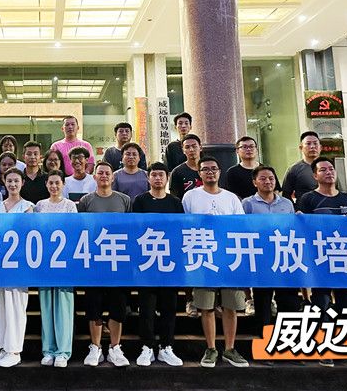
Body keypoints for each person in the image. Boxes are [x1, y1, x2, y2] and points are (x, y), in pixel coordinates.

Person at [296, 157, 347, 367]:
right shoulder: (308, 199)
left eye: (331, 168)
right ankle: (323, 347)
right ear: (315, 175)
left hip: (344, 259)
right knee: (322, 303)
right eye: (323, 169)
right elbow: (302, 229)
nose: (329, 172)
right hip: (320, 260)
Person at [182, 156, 249, 368]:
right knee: (206, 306)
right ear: (199, 174)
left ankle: (230, 349)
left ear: (219, 172)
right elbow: (184, 226)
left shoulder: (231, 198)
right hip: (203, 257)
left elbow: (240, 226)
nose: (210, 172)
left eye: (213, 169)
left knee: (230, 306)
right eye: (205, 169)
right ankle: (211, 348)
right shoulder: (190, 196)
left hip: (228, 258)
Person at [77, 161, 131, 368]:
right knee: (94, 306)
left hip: (118, 262)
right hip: (94, 262)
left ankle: (115, 347)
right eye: (100, 173)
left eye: (107, 173)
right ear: (94, 177)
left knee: (117, 307)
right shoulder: (86, 201)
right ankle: (96, 347)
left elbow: (131, 230)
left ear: (113, 177)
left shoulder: (124, 200)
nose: (104, 176)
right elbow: (81, 229)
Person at [132, 162, 184, 367]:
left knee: (169, 307)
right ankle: (147, 346)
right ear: (148, 178)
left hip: (169, 264)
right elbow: (135, 230)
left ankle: (166, 346)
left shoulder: (175, 202)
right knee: (146, 308)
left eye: (161, 175)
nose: (157, 178)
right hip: (147, 263)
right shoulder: (140, 201)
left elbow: (181, 231)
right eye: (154, 175)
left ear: (167, 178)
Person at [241, 165, 300, 331]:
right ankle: (265, 338)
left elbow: (293, 229)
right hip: (261, 258)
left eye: (271, 178)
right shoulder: (247, 204)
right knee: (263, 301)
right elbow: (241, 228)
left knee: (288, 301)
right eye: (263, 178)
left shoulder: (287, 203)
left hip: (284, 256)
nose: (268, 181)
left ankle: (287, 337)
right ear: (255, 182)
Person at [0, 168, 34, 368]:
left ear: (22, 183)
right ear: (4, 182)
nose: (13, 184)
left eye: (16, 181)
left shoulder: (28, 207)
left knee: (15, 305)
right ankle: (4, 347)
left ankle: (14, 350)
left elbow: (29, 234)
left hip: (18, 262)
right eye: (9, 181)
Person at [35, 170, 77, 367]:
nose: (53, 186)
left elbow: (73, 231)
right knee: (46, 306)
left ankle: (63, 351)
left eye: (57, 183)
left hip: (64, 262)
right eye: (50, 183)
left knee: (63, 306)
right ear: (46, 184)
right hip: (44, 261)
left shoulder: (69, 206)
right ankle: (48, 350)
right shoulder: (40, 205)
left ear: (63, 184)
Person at [282, 131, 326, 203]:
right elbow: (286, 195)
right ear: (301, 148)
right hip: (304, 209)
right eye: (308, 144)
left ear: (320, 147)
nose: (312, 146)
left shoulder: (329, 167)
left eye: (315, 143)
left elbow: (337, 190)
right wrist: (295, 208)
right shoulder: (294, 169)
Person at [168, 134, 202, 200]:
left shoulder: (209, 169)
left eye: (194, 146)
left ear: (200, 148)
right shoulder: (177, 172)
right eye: (187, 147)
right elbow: (175, 199)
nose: (191, 150)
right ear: (183, 150)